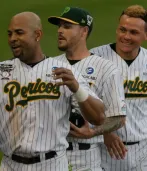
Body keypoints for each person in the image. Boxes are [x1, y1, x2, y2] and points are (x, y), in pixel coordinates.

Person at [0, 11, 105, 171]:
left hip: (52, 165)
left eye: (19, 32)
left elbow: (98, 118)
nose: (12, 38)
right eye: (9, 33)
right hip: (11, 165)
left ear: (37, 35)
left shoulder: (64, 70)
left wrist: (76, 88)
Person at [48, 6, 126, 171]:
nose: (60, 31)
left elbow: (118, 118)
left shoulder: (106, 68)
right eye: (59, 26)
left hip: (86, 160)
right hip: (50, 157)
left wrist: (93, 132)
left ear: (84, 31)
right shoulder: (48, 65)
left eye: (67, 27)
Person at [90, 4, 147, 171]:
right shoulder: (95, 58)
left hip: (143, 150)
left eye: (134, 32)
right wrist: (105, 131)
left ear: (145, 34)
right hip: (104, 150)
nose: (126, 36)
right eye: (123, 30)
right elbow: (83, 105)